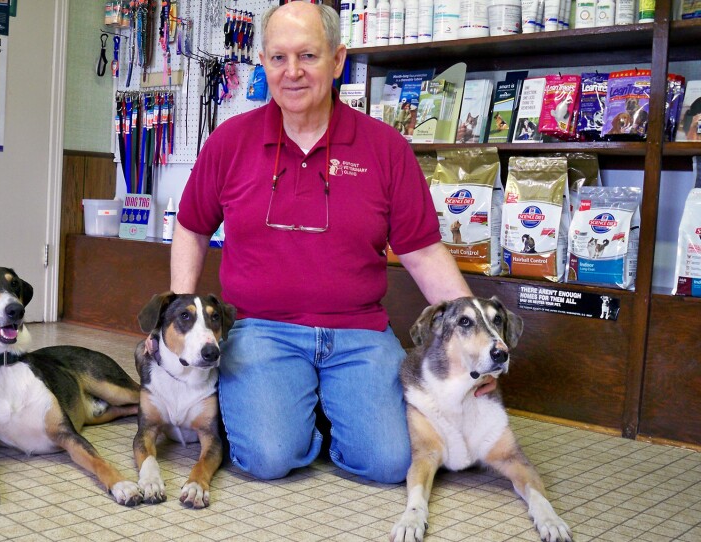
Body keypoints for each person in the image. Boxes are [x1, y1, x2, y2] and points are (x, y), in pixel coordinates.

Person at [169, 1, 488, 484]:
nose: (292, 72)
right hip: (261, 330)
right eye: (278, 58)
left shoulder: (386, 148)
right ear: (263, 62)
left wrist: (473, 343)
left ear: (338, 61)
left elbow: (423, 253)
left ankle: (319, 407)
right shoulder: (229, 141)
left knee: (390, 464)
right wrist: (178, 325)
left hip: (359, 334)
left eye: (308, 56)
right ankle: (300, 412)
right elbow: (191, 227)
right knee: (268, 459)